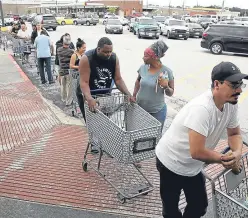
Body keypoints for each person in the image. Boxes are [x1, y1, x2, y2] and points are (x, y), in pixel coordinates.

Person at [155, 61, 248, 218]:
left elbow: (234, 134)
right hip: (170, 162)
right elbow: (197, 151)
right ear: (217, 84)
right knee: (171, 209)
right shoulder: (202, 109)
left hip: (193, 166)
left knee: (199, 206)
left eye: (240, 84)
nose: (239, 90)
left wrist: (237, 153)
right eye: (233, 85)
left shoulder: (231, 103)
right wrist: (224, 159)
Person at [77, 37, 135, 153]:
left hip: (105, 93)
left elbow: (118, 79)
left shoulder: (113, 58)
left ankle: (103, 141)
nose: (108, 54)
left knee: (104, 120)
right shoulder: (87, 58)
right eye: (105, 52)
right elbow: (84, 82)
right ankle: (94, 142)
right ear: (98, 49)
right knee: (92, 120)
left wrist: (128, 94)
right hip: (88, 92)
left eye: (110, 51)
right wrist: (89, 99)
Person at [133, 40, 174, 130]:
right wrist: (134, 95)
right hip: (140, 109)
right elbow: (137, 82)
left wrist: (165, 86)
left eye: (146, 56)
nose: (143, 58)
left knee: (154, 139)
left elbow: (171, 93)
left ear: (154, 57)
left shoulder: (166, 72)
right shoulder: (142, 68)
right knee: (139, 136)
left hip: (157, 112)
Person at [57, 35, 75, 106]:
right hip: (68, 71)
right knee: (69, 87)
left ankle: (63, 98)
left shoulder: (59, 50)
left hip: (61, 70)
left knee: (63, 86)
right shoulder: (71, 52)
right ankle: (68, 101)